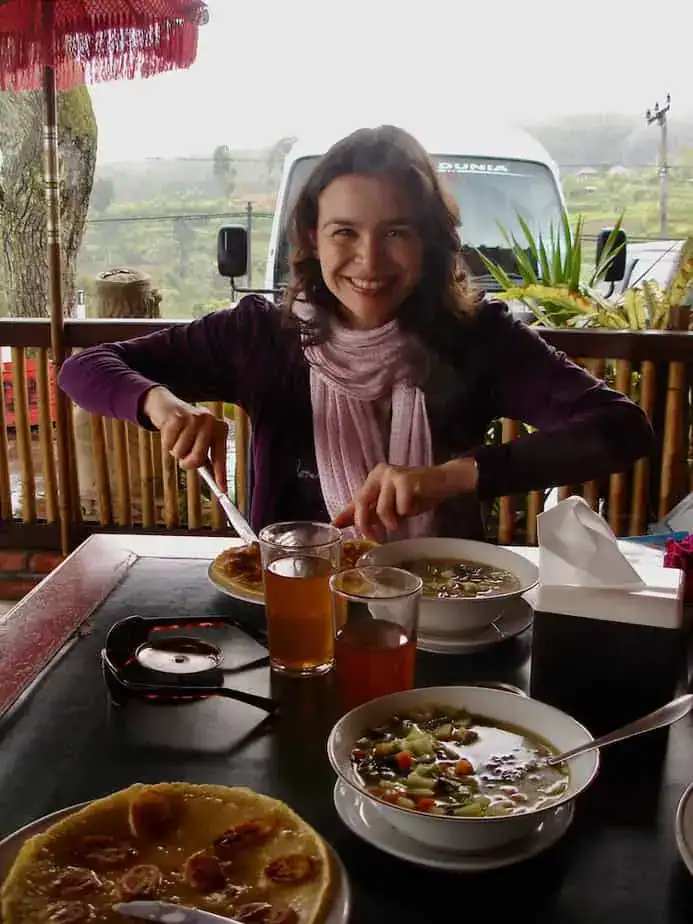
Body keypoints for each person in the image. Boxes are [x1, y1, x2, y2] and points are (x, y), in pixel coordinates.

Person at [58, 125, 653, 541]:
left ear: (430, 241)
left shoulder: (477, 340)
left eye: (396, 232)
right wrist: (162, 406)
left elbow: (623, 428)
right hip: (296, 613)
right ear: (312, 241)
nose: (370, 261)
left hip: (442, 611)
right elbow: (84, 366)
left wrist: (445, 478)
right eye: (344, 232)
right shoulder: (259, 336)